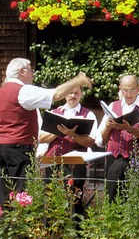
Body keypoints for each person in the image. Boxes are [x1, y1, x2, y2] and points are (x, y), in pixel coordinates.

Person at [0, 58, 93, 205]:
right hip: (19, 149)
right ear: (22, 72)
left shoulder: (0, 93)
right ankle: (17, 226)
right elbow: (56, 94)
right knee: (21, 196)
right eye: (30, 70)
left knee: (4, 197)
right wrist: (77, 80)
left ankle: (0, 226)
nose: (33, 75)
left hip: (2, 149)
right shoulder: (23, 90)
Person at [39, 85, 98, 227]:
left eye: (76, 93)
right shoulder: (54, 113)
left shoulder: (88, 115)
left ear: (81, 95)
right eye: (70, 93)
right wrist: (59, 131)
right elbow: (41, 138)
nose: (72, 96)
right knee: (50, 201)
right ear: (65, 95)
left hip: (76, 164)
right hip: (52, 163)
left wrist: (73, 135)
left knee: (74, 202)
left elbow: (90, 141)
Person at [96, 74, 139, 200]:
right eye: (125, 90)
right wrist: (108, 126)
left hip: (137, 159)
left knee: (136, 198)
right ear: (120, 89)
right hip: (114, 160)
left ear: (138, 88)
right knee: (112, 196)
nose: (128, 94)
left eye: (132, 90)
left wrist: (129, 128)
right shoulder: (113, 106)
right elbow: (102, 140)